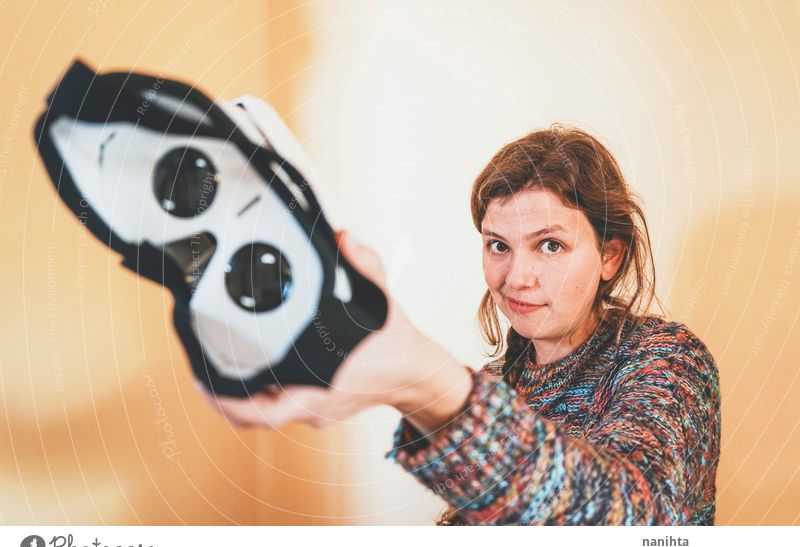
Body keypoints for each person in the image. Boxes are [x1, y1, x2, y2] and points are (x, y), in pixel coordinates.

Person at [195, 125, 721, 525]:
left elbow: (635, 521)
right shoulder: (497, 387)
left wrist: (423, 380)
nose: (516, 277)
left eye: (551, 245)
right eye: (498, 245)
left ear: (609, 256)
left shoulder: (666, 360)